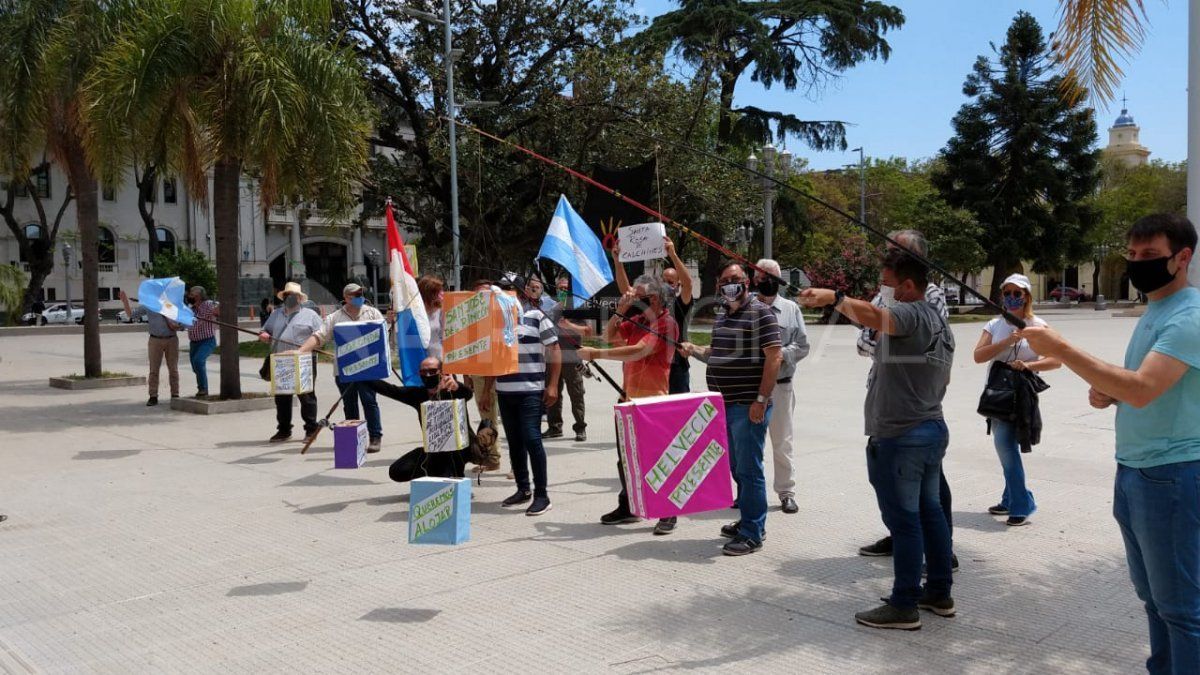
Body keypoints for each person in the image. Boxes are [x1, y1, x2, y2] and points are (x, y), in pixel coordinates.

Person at [1020, 214, 1200, 673]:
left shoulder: (1189, 316)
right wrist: (1110, 393)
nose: (1138, 264)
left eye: (1150, 256)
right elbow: (1139, 389)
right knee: (1155, 600)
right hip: (1135, 471)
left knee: (1183, 610)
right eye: (1133, 255)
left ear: (1183, 258)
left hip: (1173, 475)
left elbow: (1141, 388)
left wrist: (1060, 349)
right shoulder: (1157, 311)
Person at [800, 249, 955, 630]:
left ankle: (904, 604)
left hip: (903, 436)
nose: (881, 291)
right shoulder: (938, 320)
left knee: (905, 523)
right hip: (930, 428)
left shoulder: (910, 312)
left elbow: (877, 316)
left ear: (907, 285)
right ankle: (938, 590)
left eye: (886, 283)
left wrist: (835, 299)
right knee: (930, 514)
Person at [856, 229, 955, 564]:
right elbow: (865, 341)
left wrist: (837, 301)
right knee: (908, 497)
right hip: (886, 391)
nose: (886, 258)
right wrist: (883, 335)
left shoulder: (928, 297)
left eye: (893, 251)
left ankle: (938, 553)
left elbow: (918, 338)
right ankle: (906, 538)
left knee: (928, 493)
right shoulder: (889, 293)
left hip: (912, 408)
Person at [678, 262, 782, 556]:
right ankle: (747, 519)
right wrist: (695, 349)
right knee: (737, 467)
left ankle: (752, 533)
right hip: (724, 405)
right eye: (724, 280)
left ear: (747, 282)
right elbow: (716, 352)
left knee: (749, 470)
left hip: (748, 406)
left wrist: (760, 401)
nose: (729, 284)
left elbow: (774, 358)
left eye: (735, 279)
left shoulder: (761, 313)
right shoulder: (723, 315)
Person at [579, 274, 680, 535]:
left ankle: (668, 510)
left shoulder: (666, 323)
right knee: (625, 459)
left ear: (654, 298)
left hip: (653, 401)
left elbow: (639, 350)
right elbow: (608, 336)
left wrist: (596, 354)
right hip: (628, 398)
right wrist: (619, 310)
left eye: (640, 297)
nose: (636, 301)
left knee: (657, 460)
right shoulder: (637, 321)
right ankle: (629, 506)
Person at [973, 273, 1060, 526]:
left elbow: (1056, 360)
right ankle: (1009, 498)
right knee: (1005, 446)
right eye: (1007, 293)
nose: (1011, 298)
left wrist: (1029, 364)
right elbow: (978, 356)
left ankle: (1023, 503)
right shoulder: (994, 325)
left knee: (1005, 446)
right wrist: (1006, 341)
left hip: (1022, 394)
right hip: (998, 393)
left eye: (1017, 293)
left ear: (1026, 296)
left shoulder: (1038, 326)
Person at [490, 276, 561, 516]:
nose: (505, 295)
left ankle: (542, 494)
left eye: (509, 290)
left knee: (532, 438)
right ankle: (523, 489)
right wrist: (488, 389)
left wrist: (552, 386)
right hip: (504, 391)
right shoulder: (496, 323)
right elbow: (492, 358)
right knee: (514, 442)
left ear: (520, 293)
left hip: (530, 390)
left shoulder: (537, 316)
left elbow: (554, 349)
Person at [368, 356, 498, 481]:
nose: (428, 375)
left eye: (432, 371)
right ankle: (434, 474)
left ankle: (453, 476)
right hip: (435, 449)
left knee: (449, 477)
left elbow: (467, 394)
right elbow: (389, 390)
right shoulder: (417, 394)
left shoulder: (452, 390)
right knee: (397, 471)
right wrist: (361, 376)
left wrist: (456, 386)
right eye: (423, 372)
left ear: (441, 372)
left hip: (462, 449)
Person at [295, 283, 385, 453]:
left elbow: (382, 337)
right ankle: (354, 436)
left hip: (368, 370)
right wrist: (301, 351)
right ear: (346, 298)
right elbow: (319, 336)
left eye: (360, 293)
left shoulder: (373, 313)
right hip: (344, 370)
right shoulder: (335, 317)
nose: (359, 297)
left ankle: (375, 437)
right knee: (349, 404)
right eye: (354, 295)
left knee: (369, 401)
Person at [753, 259, 810, 515]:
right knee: (749, 443)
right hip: (750, 386)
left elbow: (803, 346)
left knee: (782, 442)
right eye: (762, 276)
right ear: (755, 279)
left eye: (772, 276)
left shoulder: (790, 309)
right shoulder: (747, 308)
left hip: (780, 386)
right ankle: (748, 492)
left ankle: (786, 492)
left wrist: (778, 355)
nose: (766, 281)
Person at [613, 235, 694, 394]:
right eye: (663, 280)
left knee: (678, 413)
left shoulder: (681, 302)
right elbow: (626, 290)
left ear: (677, 285)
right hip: (649, 366)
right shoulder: (648, 303)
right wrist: (617, 261)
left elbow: (689, 284)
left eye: (670, 282)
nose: (666, 284)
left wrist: (672, 254)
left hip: (676, 366)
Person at [259, 281, 322, 443]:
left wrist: (306, 348)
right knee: (282, 396)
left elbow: (321, 337)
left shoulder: (311, 315)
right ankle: (284, 430)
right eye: (287, 295)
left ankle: (311, 430)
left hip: (305, 360)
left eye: (293, 295)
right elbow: (265, 330)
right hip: (281, 360)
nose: (289, 298)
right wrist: (263, 334)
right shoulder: (276, 314)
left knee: (306, 396)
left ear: (300, 298)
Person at [543, 275, 591, 442]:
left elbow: (587, 331)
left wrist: (569, 325)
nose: (562, 291)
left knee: (576, 393)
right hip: (553, 358)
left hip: (572, 358)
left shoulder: (577, 307)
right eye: (560, 288)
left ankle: (580, 427)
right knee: (552, 391)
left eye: (565, 288)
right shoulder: (552, 309)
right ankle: (554, 427)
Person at [120, 288, 183, 406]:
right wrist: (125, 301)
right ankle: (153, 396)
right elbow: (131, 315)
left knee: (173, 369)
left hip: (171, 339)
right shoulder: (148, 306)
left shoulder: (171, 306)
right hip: (155, 340)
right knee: (154, 370)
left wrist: (178, 325)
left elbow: (182, 322)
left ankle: (175, 394)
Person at [467, 278, 503, 472]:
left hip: (497, 377)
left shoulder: (500, 318)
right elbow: (465, 350)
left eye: (487, 294)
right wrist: (467, 376)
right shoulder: (472, 320)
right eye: (479, 294)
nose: (483, 298)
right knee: (487, 417)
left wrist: (487, 389)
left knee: (513, 421)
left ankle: (518, 466)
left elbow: (494, 360)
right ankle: (491, 457)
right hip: (478, 375)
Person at [185, 286, 218, 398]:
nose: (189, 296)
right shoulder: (191, 309)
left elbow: (217, 309)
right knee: (195, 366)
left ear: (199, 295)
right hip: (193, 343)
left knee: (198, 361)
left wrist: (216, 310)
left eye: (192, 294)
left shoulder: (208, 304)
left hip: (207, 341)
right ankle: (202, 387)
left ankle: (203, 389)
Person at [418, 274, 445, 359]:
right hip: (419, 359)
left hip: (438, 359)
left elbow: (445, 335)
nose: (441, 295)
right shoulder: (413, 313)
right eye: (437, 292)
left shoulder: (441, 311)